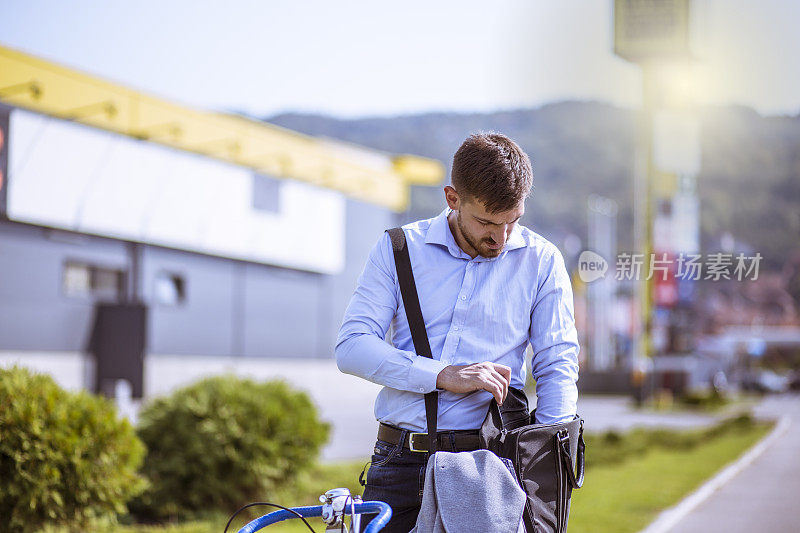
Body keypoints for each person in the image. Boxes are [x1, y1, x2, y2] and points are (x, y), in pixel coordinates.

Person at [336, 132, 580, 532]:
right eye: (486, 222)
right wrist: (443, 375)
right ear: (452, 198)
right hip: (399, 466)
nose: (500, 237)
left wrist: (548, 470)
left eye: (512, 221)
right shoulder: (399, 250)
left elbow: (558, 365)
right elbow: (352, 347)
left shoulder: (541, 261)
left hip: (491, 469)